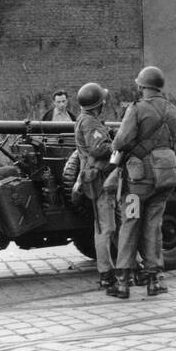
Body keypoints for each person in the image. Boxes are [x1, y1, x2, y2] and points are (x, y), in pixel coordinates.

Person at [109, 66, 176, 299]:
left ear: (142, 86)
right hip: (164, 181)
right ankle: (155, 280)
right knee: (154, 225)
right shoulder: (174, 111)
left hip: (137, 184)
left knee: (130, 223)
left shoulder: (137, 109)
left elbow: (120, 142)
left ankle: (123, 282)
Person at [74, 83, 119, 292]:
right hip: (100, 179)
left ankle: (108, 271)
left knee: (102, 227)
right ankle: (106, 274)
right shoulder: (90, 122)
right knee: (105, 228)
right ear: (97, 105)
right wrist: (117, 142)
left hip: (93, 177)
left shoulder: (85, 119)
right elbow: (99, 148)